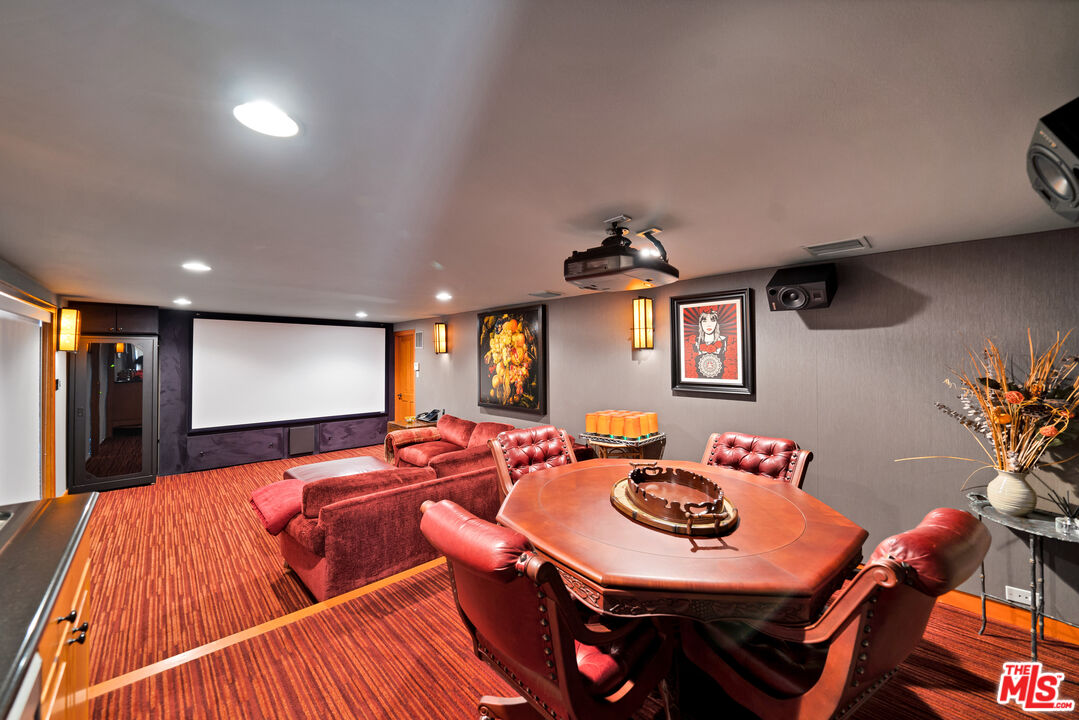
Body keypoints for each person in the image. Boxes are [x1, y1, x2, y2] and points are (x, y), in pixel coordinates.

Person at [693, 309, 727, 378]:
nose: (709, 325)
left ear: (716, 323)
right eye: (704, 321)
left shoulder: (724, 340)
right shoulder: (694, 341)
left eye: (712, 320)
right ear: (700, 323)